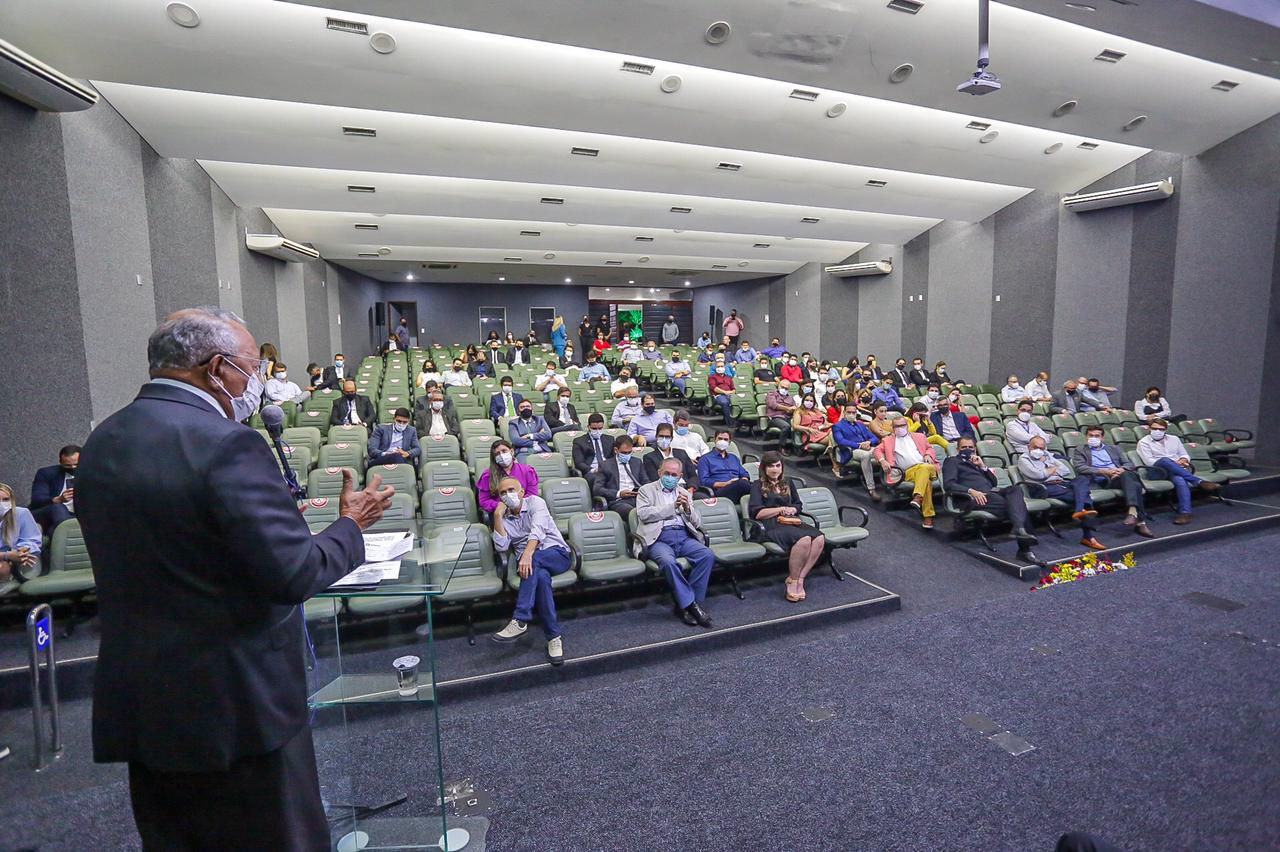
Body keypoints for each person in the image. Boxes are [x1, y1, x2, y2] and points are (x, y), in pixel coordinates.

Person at [75, 307, 390, 851]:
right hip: (237, 705)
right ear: (217, 369)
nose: (259, 382)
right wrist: (350, 525)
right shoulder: (227, 443)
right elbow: (295, 572)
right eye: (254, 368)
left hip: (147, 703)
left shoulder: (104, 439)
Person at [490, 478, 572, 665]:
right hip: (533, 566)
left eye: (511, 490)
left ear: (521, 492)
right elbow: (502, 546)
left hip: (556, 554)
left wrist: (527, 555)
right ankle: (554, 638)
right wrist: (497, 516)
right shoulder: (502, 517)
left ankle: (520, 619)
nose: (507, 495)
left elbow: (538, 530)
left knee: (534, 560)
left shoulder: (536, 502)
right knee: (542, 578)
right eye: (502, 493)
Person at [635, 458, 715, 628]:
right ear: (659, 473)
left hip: (684, 536)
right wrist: (672, 507)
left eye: (674, 475)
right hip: (659, 538)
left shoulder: (684, 493)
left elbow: (697, 523)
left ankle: (687, 603)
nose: (670, 477)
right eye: (667, 474)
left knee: (707, 555)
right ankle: (691, 605)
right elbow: (644, 514)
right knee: (668, 562)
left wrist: (687, 509)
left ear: (680, 476)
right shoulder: (646, 490)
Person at [943, 436, 1042, 563]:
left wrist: (983, 466)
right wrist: (972, 491)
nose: (967, 450)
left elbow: (994, 482)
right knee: (1017, 506)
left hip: (990, 494)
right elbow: (949, 484)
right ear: (957, 449)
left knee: (1015, 490)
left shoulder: (977, 463)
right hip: (970, 498)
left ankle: (1018, 528)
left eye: (970, 447)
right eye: (964, 447)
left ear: (975, 449)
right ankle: (1025, 550)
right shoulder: (951, 461)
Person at [750, 452, 826, 602]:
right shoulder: (757, 485)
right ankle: (793, 582)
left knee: (819, 538)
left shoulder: (788, 482)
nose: (775, 469)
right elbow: (757, 513)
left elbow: (798, 504)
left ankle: (798, 579)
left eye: (778, 465)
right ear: (764, 468)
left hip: (790, 521)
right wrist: (780, 509)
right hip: (770, 524)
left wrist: (793, 510)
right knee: (804, 539)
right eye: (771, 466)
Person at [1018, 435, 1103, 547]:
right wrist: (1051, 469)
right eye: (1035, 447)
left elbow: (1065, 470)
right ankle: (1088, 535)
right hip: (1041, 487)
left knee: (1081, 479)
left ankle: (1079, 510)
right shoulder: (1024, 459)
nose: (1038, 450)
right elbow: (1038, 475)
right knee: (1082, 495)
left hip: (1060, 483)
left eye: (1042, 448)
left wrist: (1048, 469)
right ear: (1029, 447)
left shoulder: (1047, 455)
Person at [1070, 426, 1154, 537]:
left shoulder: (1114, 448)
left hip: (1119, 477)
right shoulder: (1080, 450)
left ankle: (1133, 513)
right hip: (1102, 479)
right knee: (1136, 485)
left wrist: (1121, 469)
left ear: (1102, 437)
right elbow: (1081, 467)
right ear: (1086, 437)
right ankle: (1139, 521)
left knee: (1128, 475)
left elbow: (1128, 464)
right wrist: (1105, 471)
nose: (1093, 438)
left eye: (1097, 436)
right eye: (1091, 435)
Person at [1137, 418, 1220, 523]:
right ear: (1149, 429)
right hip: (1156, 471)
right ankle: (1198, 481)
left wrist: (1184, 459)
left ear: (1166, 429)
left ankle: (1185, 513)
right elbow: (1149, 462)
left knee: (1180, 480)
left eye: (1161, 429)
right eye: (1155, 429)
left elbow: (1184, 454)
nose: (1158, 431)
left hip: (1175, 471)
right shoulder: (1144, 442)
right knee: (1165, 460)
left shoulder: (1174, 439)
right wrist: (1175, 463)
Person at [874, 416, 941, 529]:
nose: (900, 428)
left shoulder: (919, 436)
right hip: (908, 472)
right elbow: (877, 450)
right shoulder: (888, 440)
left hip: (929, 468)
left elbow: (930, 448)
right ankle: (924, 509)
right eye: (897, 426)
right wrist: (882, 461)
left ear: (907, 425)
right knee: (925, 481)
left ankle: (921, 501)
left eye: (902, 425)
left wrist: (928, 454)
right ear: (893, 428)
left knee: (924, 468)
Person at [0, 482, 42, 596]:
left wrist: (22, 551)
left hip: (14, 562)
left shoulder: (21, 513)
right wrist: (6, 555)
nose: (2, 504)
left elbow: (32, 540)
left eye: (6, 499)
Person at [832, 404, 881, 499]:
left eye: (853, 412)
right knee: (865, 455)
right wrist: (860, 445)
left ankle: (891, 481)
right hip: (851, 450)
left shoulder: (860, 424)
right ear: (845, 412)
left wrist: (869, 442)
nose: (851, 414)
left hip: (867, 447)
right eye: (849, 412)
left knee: (884, 451)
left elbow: (874, 438)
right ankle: (871, 488)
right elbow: (841, 441)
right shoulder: (837, 426)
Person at [476, 440, 539, 514]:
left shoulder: (527, 471)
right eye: (497, 454)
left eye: (504, 451)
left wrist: (518, 504)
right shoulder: (487, 475)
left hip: (525, 513)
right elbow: (484, 501)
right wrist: (500, 505)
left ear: (511, 451)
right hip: (501, 514)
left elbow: (532, 495)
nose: (501, 455)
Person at [29, 444, 80, 535]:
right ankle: (71, 533)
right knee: (58, 508)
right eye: (68, 465)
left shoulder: (92, 474)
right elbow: (37, 500)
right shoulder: (47, 473)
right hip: (50, 511)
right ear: (60, 462)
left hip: (80, 514)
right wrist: (58, 499)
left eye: (76, 464)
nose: (73, 468)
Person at [593, 435, 649, 514]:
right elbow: (597, 489)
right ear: (616, 450)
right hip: (619, 501)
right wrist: (618, 494)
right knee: (633, 512)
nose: (627, 455)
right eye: (624, 453)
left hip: (638, 498)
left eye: (629, 452)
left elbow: (645, 481)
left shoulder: (637, 462)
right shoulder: (605, 465)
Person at [697, 429, 753, 502]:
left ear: (729, 442)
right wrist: (726, 484)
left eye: (725, 439)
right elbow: (704, 481)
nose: (722, 441)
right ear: (714, 440)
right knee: (743, 484)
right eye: (720, 438)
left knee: (759, 484)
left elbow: (744, 473)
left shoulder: (734, 458)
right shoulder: (705, 459)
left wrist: (744, 479)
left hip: (739, 487)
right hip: (721, 491)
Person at [572, 414, 615, 487]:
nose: (597, 431)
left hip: (608, 469)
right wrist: (593, 470)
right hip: (592, 471)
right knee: (597, 479)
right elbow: (579, 463)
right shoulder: (579, 441)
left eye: (600, 428)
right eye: (594, 429)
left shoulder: (610, 439)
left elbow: (614, 458)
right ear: (588, 427)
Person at [765, 379, 797, 448]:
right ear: (778, 386)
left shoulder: (790, 397)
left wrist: (792, 410)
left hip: (788, 417)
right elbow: (773, 405)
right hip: (775, 418)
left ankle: (797, 446)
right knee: (786, 426)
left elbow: (794, 407)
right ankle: (781, 447)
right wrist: (787, 408)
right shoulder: (772, 394)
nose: (784, 389)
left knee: (798, 425)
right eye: (782, 387)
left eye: (786, 388)